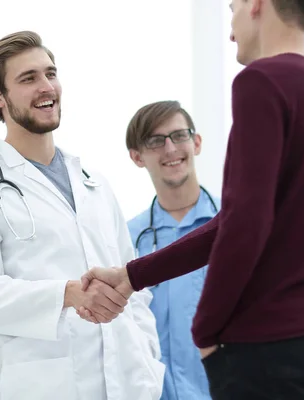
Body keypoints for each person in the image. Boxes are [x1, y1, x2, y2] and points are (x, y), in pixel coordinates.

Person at [80, 0, 304, 399]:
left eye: (232, 8)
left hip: (263, 351)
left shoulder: (261, 81)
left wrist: (206, 331)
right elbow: (238, 221)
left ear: (256, 5)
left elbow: (244, 224)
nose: (230, 28)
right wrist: (132, 277)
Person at [0, 31, 164, 400]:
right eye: (28, 79)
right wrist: (66, 294)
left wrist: (148, 362)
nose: (46, 86)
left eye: (50, 73)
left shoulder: (92, 181)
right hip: (47, 385)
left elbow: (133, 284)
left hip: (129, 384)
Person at [126, 100, 219, 400]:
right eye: (155, 141)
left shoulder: (237, 225)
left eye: (179, 136)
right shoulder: (127, 239)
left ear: (197, 142)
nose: (170, 149)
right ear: (137, 157)